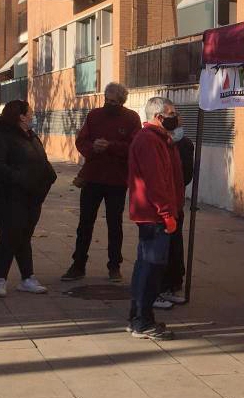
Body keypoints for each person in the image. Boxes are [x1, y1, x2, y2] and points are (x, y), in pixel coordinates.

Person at [61, 83, 141, 283]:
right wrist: (92, 147)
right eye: (106, 99)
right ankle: (78, 264)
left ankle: (114, 266)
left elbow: (135, 146)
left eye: (113, 101)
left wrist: (111, 146)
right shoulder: (94, 115)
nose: (109, 104)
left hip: (116, 179)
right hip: (92, 177)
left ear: (122, 101)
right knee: (85, 223)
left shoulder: (131, 118)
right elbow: (81, 141)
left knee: (115, 224)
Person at [0, 100, 57, 297]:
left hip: (31, 197)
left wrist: (49, 176)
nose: (33, 115)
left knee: (24, 236)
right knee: (9, 235)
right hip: (6, 197)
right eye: (30, 113)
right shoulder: (1, 138)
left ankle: (27, 278)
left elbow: (41, 161)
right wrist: (20, 179)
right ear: (21, 116)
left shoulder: (31, 136)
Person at [126, 97, 184, 340]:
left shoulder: (160, 140)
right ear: (158, 117)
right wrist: (167, 213)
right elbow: (155, 182)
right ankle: (141, 321)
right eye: (172, 113)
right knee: (150, 268)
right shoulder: (150, 141)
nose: (176, 117)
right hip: (155, 216)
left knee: (147, 266)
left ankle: (139, 318)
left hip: (156, 214)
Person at [157, 115, 194, 308]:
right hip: (160, 207)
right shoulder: (152, 141)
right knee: (157, 249)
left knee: (174, 245)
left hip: (175, 203)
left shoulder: (184, 144)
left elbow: (186, 175)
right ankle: (155, 289)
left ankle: (171, 284)